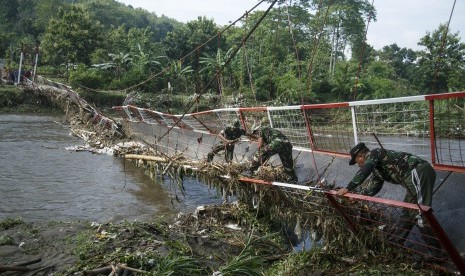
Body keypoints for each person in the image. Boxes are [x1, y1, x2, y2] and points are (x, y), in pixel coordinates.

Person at [337, 142, 446, 262]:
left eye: (357, 162)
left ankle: (437, 253)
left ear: (360, 157)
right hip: (414, 178)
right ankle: (395, 244)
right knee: (407, 213)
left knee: (419, 214)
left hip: (418, 172)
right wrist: (357, 197)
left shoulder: (375, 153)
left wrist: (348, 187)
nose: (358, 165)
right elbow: (373, 187)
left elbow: (366, 170)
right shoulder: (377, 170)